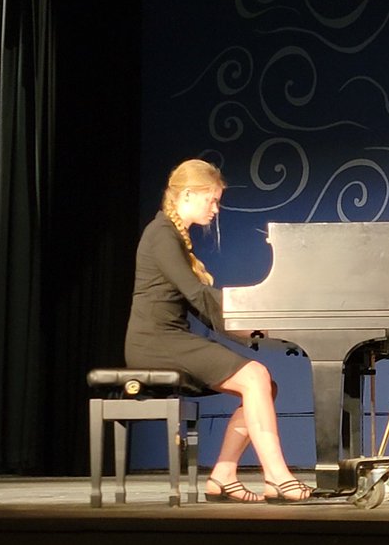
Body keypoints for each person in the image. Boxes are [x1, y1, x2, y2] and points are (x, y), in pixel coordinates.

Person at [124, 158, 312, 503]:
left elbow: (200, 305)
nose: (216, 208)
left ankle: (223, 476)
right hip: (155, 342)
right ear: (189, 195)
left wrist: (252, 329)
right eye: (211, 199)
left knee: (263, 385)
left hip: (170, 338)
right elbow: (197, 295)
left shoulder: (172, 235)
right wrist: (246, 318)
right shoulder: (161, 233)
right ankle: (277, 477)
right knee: (255, 376)